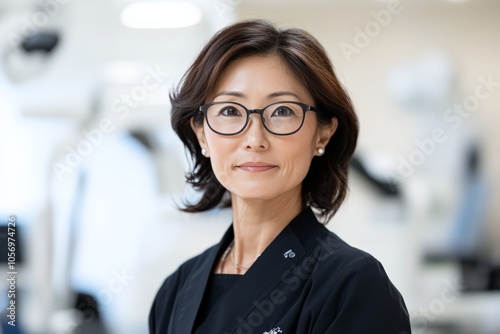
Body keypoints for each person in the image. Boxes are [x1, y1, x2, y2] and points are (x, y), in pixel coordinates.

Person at [149, 19, 411, 334]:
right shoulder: (176, 290)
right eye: (231, 111)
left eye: (282, 111)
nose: (255, 139)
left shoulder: (352, 285)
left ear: (323, 133)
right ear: (202, 134)